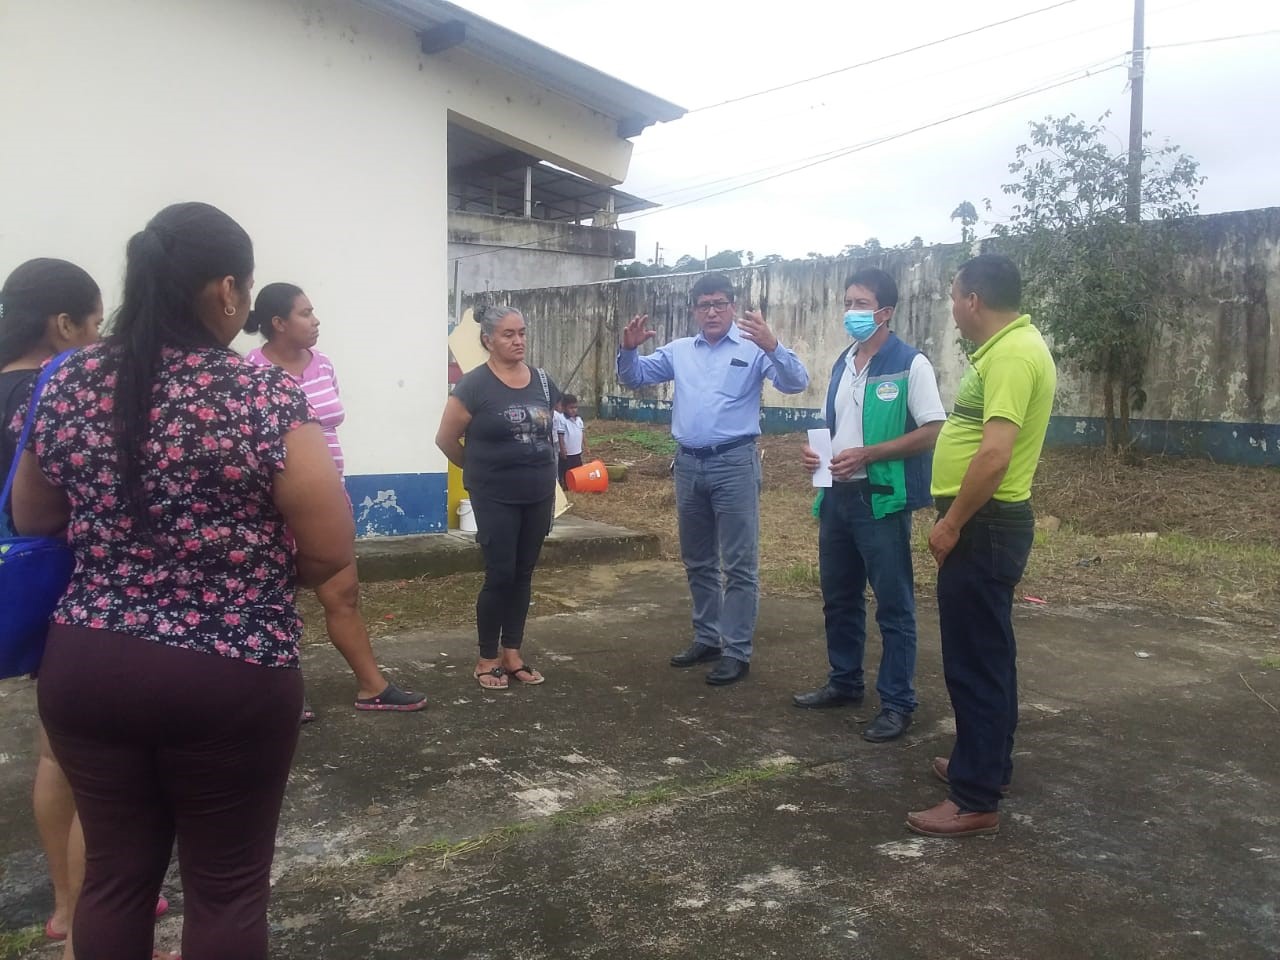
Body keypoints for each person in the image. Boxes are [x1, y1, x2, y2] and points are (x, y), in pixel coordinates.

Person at [12, 201, 354, 959]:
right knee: (226, 888)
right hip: (229, 669)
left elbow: (33, 515)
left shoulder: (68, 383)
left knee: (113, 880)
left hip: (89, 663)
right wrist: (256, 577)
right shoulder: (260, 393)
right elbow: (330, 547)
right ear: (227, 290)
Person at [0, 259, 152, 960]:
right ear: (63, 324)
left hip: (19, 592)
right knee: (106, 769)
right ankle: (96, 922)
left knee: (54, 752)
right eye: (93, 324)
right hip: (76, 592)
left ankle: (65, 904)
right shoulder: (62, 388)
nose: (96, 339)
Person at [906, 254, 1057, 838]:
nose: (951, 307)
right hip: (985, 522)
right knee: (988, 653)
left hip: (983, 524)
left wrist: (951, 523)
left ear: (973, 300)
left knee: (974, 661)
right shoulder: (1006, 350)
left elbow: (994, 455)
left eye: (953, 296)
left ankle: (974, 799)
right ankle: (986, 763)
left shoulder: (1014, 355)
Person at [617, 273, 809, 686]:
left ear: (733, 307)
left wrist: (773, 345)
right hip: (688, 464)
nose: (712, 312)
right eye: (704, 305)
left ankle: (736, 650)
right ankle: (707, 637)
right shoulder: (680, 351)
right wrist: (628, 350)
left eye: (720, 304)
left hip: (734, 463)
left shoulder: (753, 348)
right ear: (694, 311)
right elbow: (634, 377)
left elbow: (796, 383)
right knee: (698, 559)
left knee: (739, 564)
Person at [244, 283, 426, 717]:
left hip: (328, 499)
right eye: (305, 313)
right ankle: (283, 694)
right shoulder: (249, 370)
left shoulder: (322, 364)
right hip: (273, 503)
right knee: (275, 600)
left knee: (343, 592)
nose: (316, 320)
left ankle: (372, 686)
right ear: (278, 323)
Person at [795, 268, 946, 742]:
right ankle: (844, 682)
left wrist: (871, 454)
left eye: (860, 304)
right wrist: (815, 453)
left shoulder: (911, 364)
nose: (851, 312)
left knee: (893, 607)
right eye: (847, 303)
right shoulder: (843, 363)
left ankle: (898, 703)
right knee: (839, 598)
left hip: (880, 501)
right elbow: (837, 426)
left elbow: (933, 430)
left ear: (886, 312)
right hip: (836, 497)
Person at [435, 305, 557, 691]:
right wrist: (480, 473)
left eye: (522, 332)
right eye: (508, 334)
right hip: (495, 497)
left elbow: (547, 432)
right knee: (500, 574)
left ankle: (512, 654)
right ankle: (487, 658)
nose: (518, 340)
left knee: (523, 574)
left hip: (538, 494)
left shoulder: (542, 381)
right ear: (488, 340)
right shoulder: (473, 386)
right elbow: (445, 439)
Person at [557, 392, 589, 486]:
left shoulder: (579, 420)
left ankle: (576, 484)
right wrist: (563, 449)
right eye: (571, 408)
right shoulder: (562, 419)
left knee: (577, 469)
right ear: (564, 408)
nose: (574, 410)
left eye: (575, 407)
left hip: (577, 451)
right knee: (566, 470)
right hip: (567, 453)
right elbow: (560, 436)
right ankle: (565, 485)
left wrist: (586, 446)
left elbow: (582, 433)